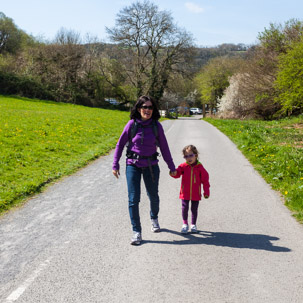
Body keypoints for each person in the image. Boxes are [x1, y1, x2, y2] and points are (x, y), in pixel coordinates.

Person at [112, 95, 176, 245]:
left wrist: (171, 167)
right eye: (144, 107)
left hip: (151, 166)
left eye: (150, 107)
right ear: (139, 108)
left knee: (153, 196)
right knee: (133, 199)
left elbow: (164, 148)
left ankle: (154, 217)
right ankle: (137, 232)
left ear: (154, 110)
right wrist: (115, 164)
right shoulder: (131, 124)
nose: (147, 110)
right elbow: (120, 145)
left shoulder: (156, 126)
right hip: (133, 165)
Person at [170, 144, 210, 234]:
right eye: (186, 156)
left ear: (196, 155)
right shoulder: (183, 166)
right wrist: (173, 173)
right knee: (184, 207)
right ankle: (185, 224)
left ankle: (193, 224)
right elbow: (177, 173)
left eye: (191, 155)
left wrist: (206, 192)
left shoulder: (200, 168)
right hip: (185, 192)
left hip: (196, 193)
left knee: (194, 209)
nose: (188, 158)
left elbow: (205, 180)